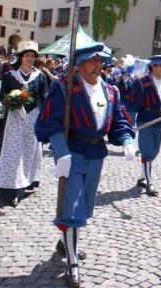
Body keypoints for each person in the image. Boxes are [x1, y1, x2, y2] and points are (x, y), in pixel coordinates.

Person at [35, 42, 137, 287]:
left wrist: (126, 139)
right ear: (78, 64)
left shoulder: (111, 90)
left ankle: (65, 243)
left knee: (86, 205)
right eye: (92, 60)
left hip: (96, 154)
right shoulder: (64, 88)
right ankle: (72, 264)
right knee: (72, 207)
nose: (98, 65)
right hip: (72, 152)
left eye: (101, 61)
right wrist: (61, 152)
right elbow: (50, 122)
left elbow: (119, 120)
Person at [0, 41, 48, 207]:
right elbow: (2, 95)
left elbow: (44, 96)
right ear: (21, 57)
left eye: (32, 56)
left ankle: (26, 182)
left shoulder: (40, 76)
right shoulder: (10, 76)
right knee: (13, 151)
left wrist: (44, 114)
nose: (30, 58)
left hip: (32, 118)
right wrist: (12, 101)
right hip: (14, 117)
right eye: (27, 55)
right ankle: (12, 189)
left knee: (29, 150)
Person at [130, 55, 161, 196]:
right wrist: (130, 124)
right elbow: (132, 105)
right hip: (145, 121)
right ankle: (150, 183)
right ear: (153, 66)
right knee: (148, 152)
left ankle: (142, 177)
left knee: (154, 152)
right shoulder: (141, 82)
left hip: (160, 122)